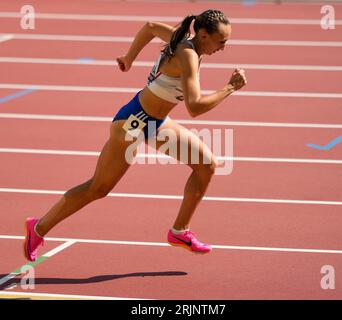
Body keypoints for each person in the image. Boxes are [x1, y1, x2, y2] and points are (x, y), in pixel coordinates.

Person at [23, 9, 247, 261]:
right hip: (132, 123)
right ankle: (38, 227)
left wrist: (130, 58)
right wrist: (230, 87)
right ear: (204, 35)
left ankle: (179, 231)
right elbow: (195, 107)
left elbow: (150, 26)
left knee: (206, 165)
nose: (224, 47)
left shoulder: (182, 37)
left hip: (157, 122)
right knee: (98, 188)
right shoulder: (188, 56)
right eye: (222, 41)